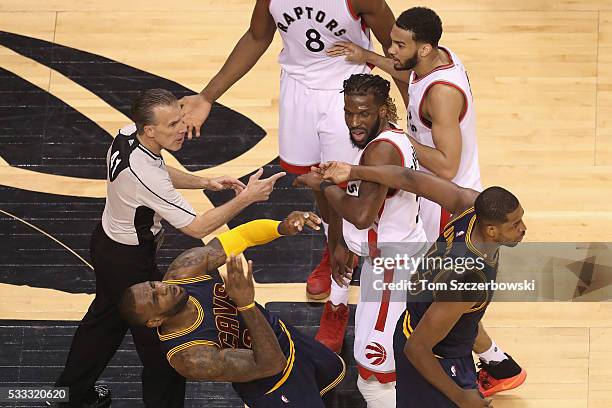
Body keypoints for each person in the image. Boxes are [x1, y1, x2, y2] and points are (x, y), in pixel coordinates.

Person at [179, 0, 402, 348]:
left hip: (346, 92)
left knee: (346, 190)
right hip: (296, 88)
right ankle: (333, 249)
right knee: (315, 181)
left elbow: (397, 52)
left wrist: (415, 117)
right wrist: (208, 95)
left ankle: (338, 305)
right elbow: (257, 36)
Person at [327, 7, 525, 396]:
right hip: (433, 191)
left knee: (437, 299)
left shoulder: (441, 93)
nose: (391, 48)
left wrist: (398, 139)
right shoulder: (432, 61)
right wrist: (369, 58)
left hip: (447, 203)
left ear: (426, 47)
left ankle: (463, 366)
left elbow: (447, 166)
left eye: (400, 44)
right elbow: (405, 69)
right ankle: (499, 363)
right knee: (438, 297)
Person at [55, 88, 285, 408]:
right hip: (129, 262)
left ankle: (67, 396)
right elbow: (197, 228)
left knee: (103, 324)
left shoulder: (128, 135)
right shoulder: (143, 174)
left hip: (109, 244)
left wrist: (203, 182)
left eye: (181, 117)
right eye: (173, 125)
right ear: (150, 130)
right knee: (164, 349)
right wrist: (246, 198)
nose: (183, 128)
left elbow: (159, 171)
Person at [316, 161, 528, 407]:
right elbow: (417, 348)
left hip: (428, 318)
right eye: (515, 225)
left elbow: (408, 178)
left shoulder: (471, 208)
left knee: (464, 316)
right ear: (491, 230)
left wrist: (353, 171)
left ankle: (498, 362)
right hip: (436, 359)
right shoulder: (468, 279)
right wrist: (460, 396)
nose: (523, 229)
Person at [119, 212, 347, 407]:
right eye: (156, 299)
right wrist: (245, 304)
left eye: (152, 284)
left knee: (329, 384)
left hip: (286, 338)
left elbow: (241, 236)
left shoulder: (182, 273)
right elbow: (270, 364)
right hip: (273, 384)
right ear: (156, 320)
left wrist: (281, 227)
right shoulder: (189, 356)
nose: (162, 288)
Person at [294, 73, 425, 408]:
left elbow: (363, 215)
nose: (354, 121)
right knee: (380, 363)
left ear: (383, 110)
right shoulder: (390, 138)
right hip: (385, 259)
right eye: (349, 112)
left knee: (373, 369)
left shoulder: (380, 153)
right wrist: (339, 242)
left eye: (363, 113)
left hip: (393, 265)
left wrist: (320, 186)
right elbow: (356, 204)